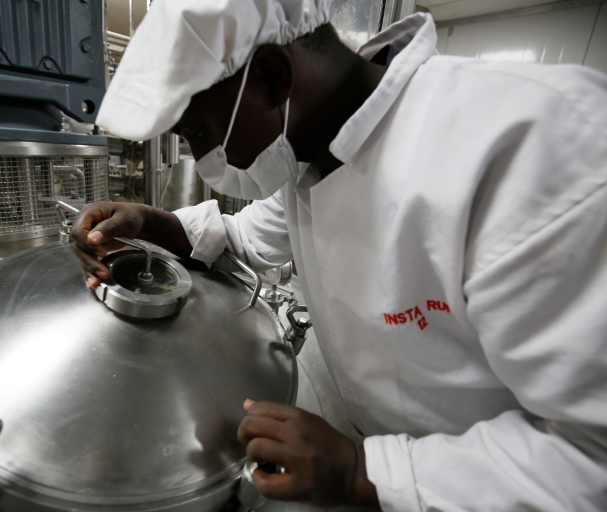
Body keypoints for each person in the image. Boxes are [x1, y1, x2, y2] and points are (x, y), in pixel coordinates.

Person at [72, 1, 607, 510]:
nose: (202, 157)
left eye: (199, 132)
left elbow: (591, 457)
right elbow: (243, 238)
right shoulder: (310, 152)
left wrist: (359, 471)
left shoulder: (539, 143)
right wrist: (151, 223)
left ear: (275, 78)